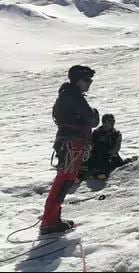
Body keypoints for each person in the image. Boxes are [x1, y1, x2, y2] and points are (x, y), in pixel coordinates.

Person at [41, 65, 100, 235]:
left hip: (68, 143)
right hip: (72, 144)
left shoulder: (67, 95)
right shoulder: (74, 96)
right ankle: (49, 222)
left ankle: (51, 219)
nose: (89, 83)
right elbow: (92, 119)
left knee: (63, 180)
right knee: (64, 181)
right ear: (77, 80)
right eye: (86, 80)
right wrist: (94, 113)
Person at [82, 114, 124, 180]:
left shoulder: (116, 133)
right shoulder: (96, 133)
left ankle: (101, 173)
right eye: (109, 121)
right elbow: (90, 145)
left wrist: (108, 153)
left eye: (112, 121)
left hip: (109, 155)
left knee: (111, 162)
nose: (111, 123)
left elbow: (116, 147)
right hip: (96, 155)